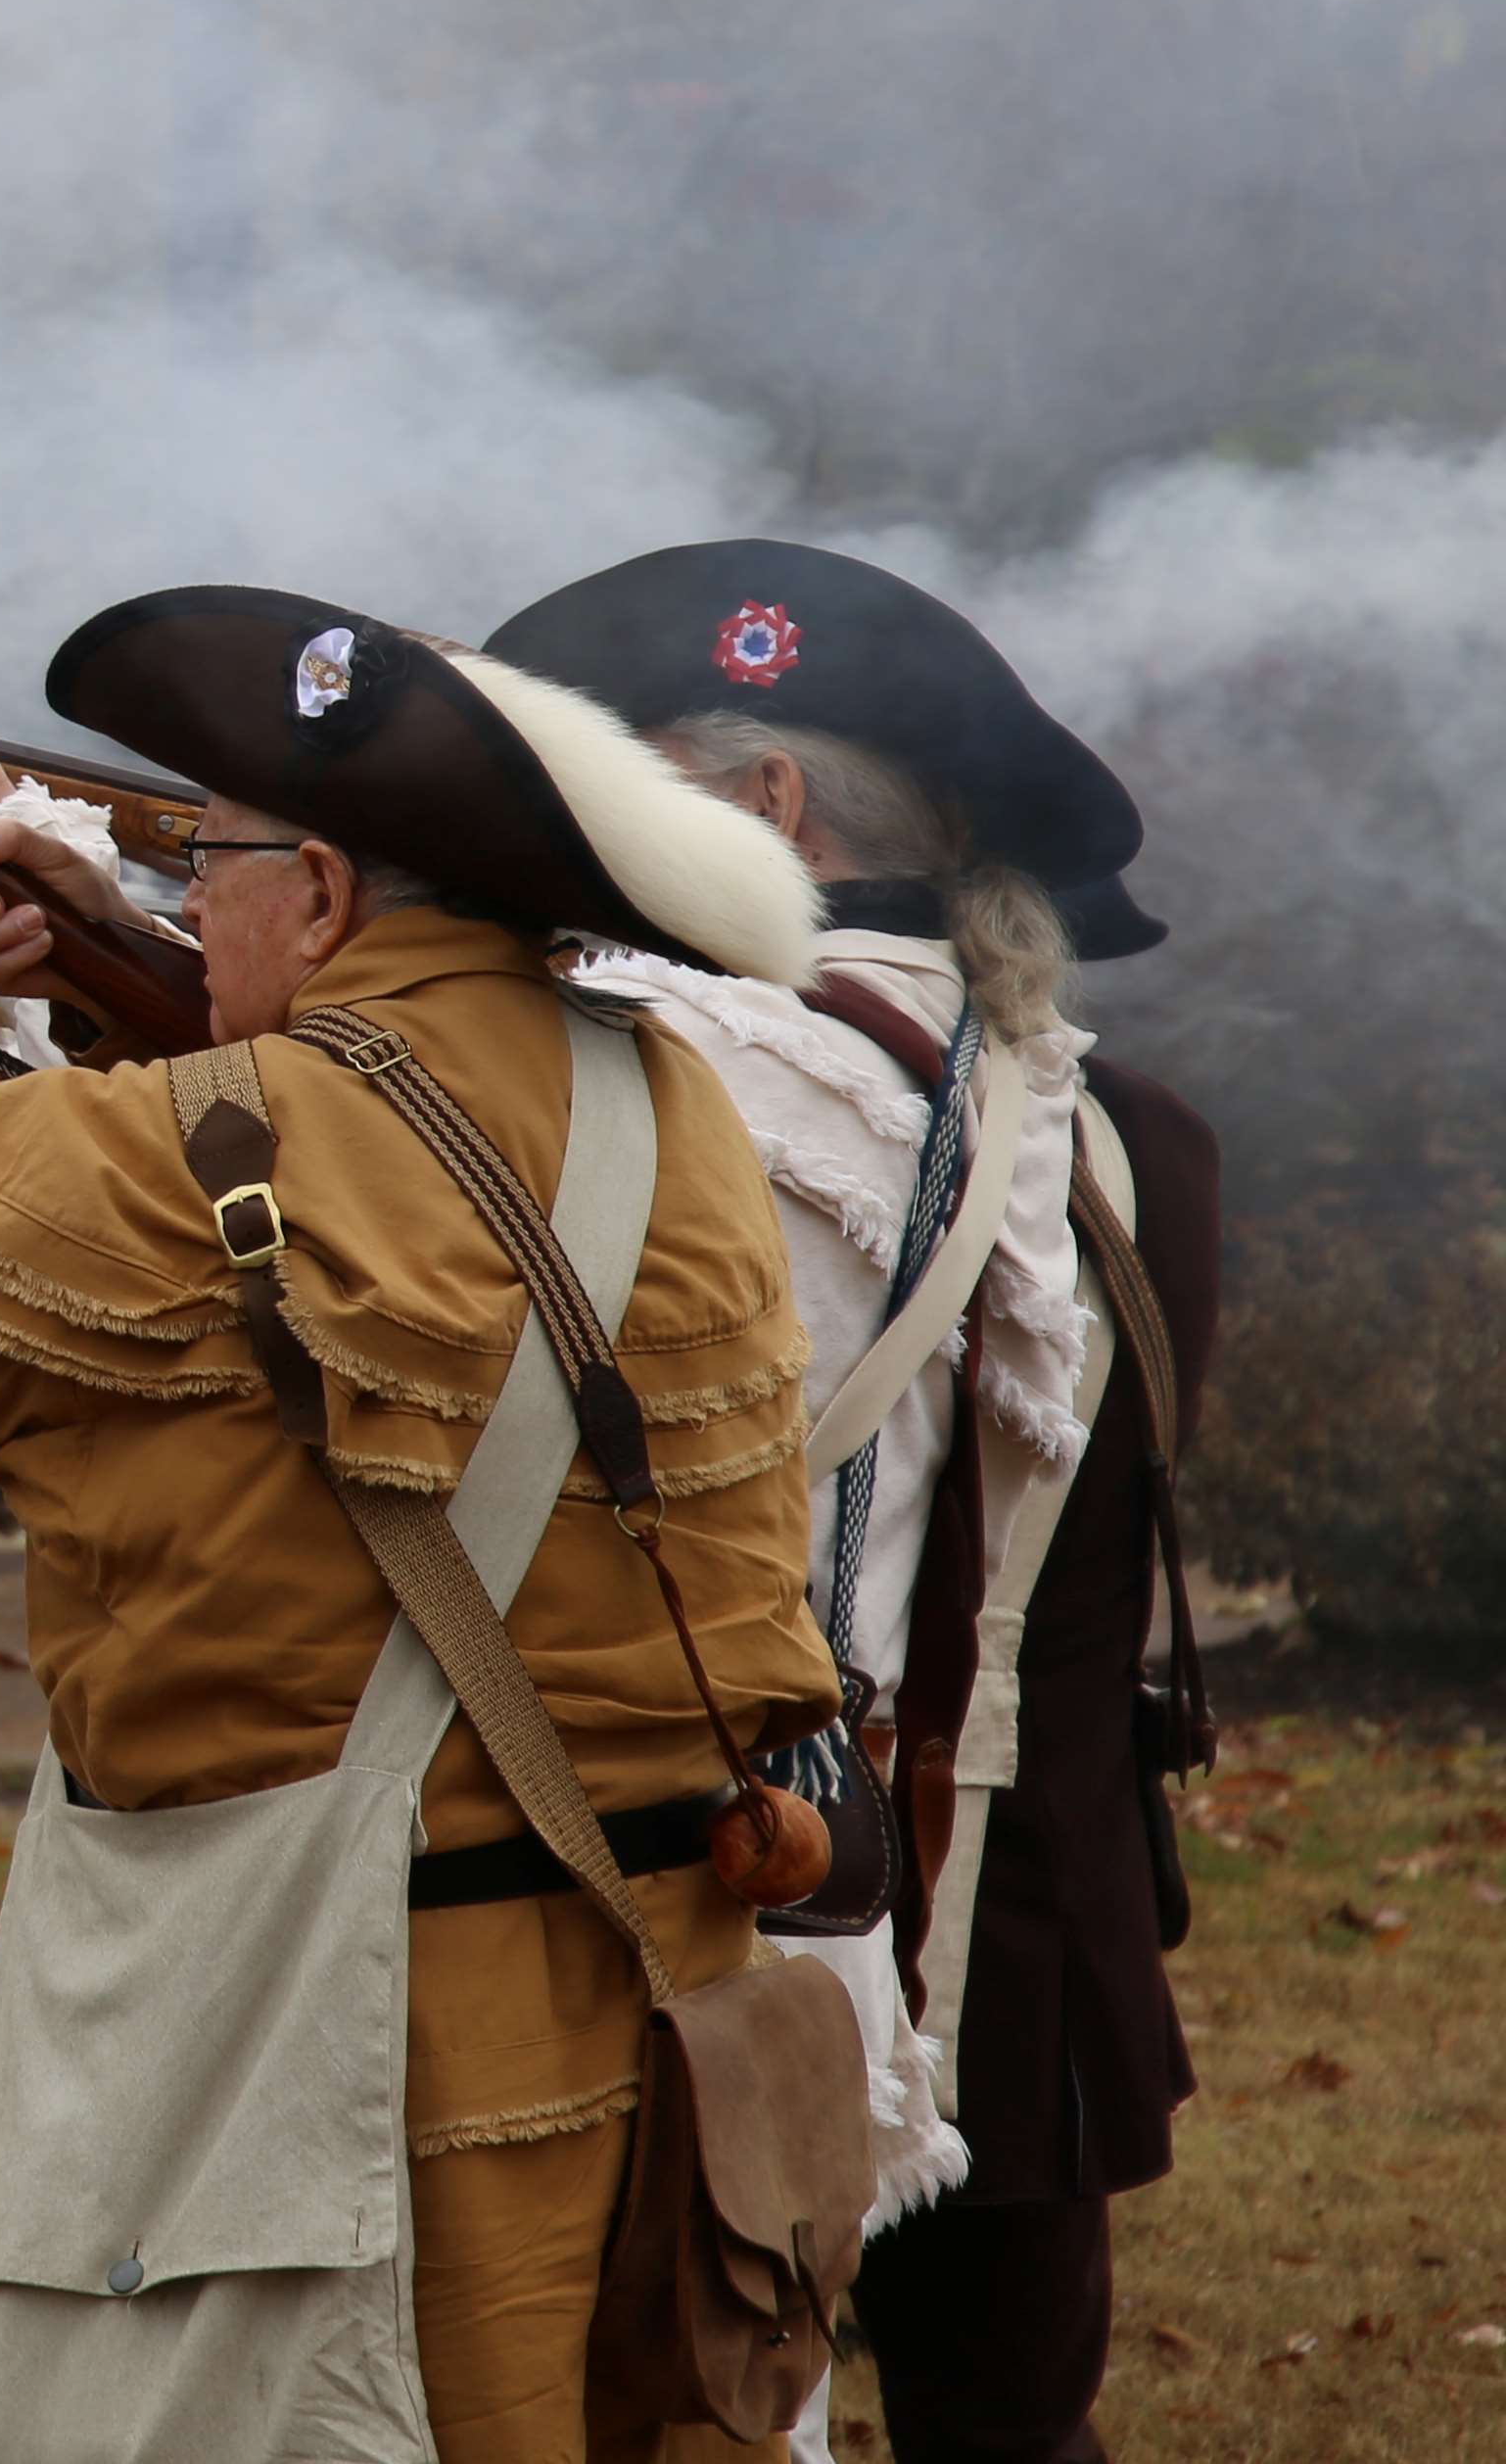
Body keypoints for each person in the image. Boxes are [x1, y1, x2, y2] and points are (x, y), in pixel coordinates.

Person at [0, 588, 847, 2464]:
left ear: (314, 886)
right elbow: (293, 1219)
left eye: (193, 869)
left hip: (321, 2056)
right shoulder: (669, 1098)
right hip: (650, 2017)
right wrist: (65, 930)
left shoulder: (224, 1143)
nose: (182, 907)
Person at [486, 545, 1210, 2464]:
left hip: (737, 1916)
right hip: (1032, 1943)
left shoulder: (658, 1086)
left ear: (760, 810)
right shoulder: (1150, 1137)